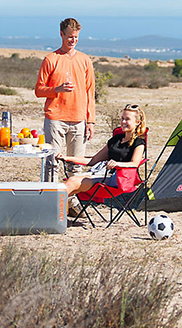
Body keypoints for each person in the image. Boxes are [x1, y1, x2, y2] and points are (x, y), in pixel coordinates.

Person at [58, 104, 146, 216]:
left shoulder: (139, 143)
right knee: (68, 185)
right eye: (122, 118)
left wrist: (117, 164)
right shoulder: (116, 140)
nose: (123, 122)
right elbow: (93, 160)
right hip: (100, 173)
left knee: (72, 182)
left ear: (137, 122)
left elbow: (134, 164)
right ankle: (57, 215)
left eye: (127, 119)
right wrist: (67, 158)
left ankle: (48, 214)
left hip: (117, 178)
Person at [34, 17, 96, 176]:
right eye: (70, 36)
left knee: (75, 166)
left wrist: (90, 121)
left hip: (79, 120)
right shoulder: (51, 59)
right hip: (55, 119)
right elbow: (39, 90)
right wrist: (57, 89)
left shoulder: (84, 60)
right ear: (61, 34)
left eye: (76, 37)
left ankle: (72, 200)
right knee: (51, 164)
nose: (73, 40)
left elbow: (90, 92)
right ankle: (51, 199)